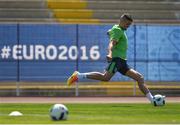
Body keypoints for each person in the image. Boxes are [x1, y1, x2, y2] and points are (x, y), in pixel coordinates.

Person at [67, 13, 154, 103]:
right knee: (105, 77)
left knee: (139, 78)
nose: (128, 26)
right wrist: (110, 54)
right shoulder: (118, 30)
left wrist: (110, 32)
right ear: (122, 21)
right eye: (127, 24)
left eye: (129, 25)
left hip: (123, 62)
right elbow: (112, 43)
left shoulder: (117, 29)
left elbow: (110, 32)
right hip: (117, 60)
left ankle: (153, 100)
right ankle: (78, 75)